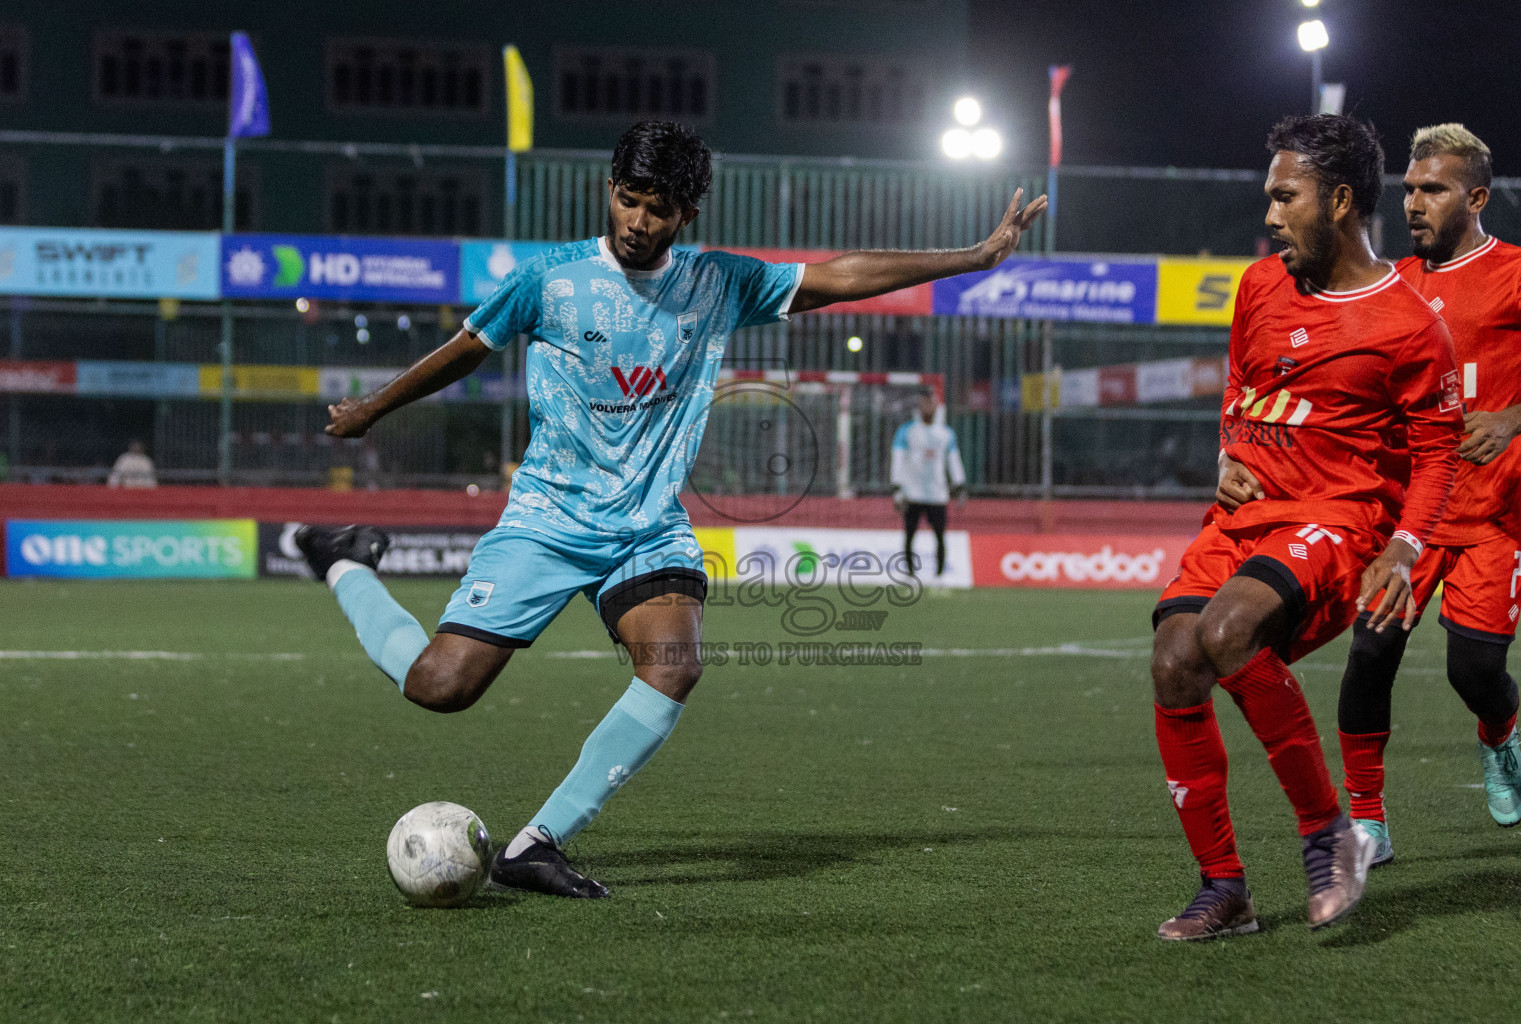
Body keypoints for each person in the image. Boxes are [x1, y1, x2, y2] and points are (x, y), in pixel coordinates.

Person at [294, 121, 1047, 899]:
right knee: (439, 687)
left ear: (687, 214)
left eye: (658, 208)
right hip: (549, 520)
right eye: (628, 199)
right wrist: (373, 409)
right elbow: (465, 347)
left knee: (674, 664)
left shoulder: (717, 282)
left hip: (648, 525)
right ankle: (346, 558)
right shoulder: (548, 280)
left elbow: (836, 275)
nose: (638, 221)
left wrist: (974, 257)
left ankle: (535, 843)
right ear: (609, 189)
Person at [1150, 114, 1461, 941]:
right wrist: (1226, 448)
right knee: (1175, 660)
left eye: (1286, 197)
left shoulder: (1409, 323)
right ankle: (1225, 889)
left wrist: (1405, 546)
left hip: (1336, 520)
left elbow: (1438, 454)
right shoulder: (1258, 287)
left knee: (1226, 629)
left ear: (1341, 200)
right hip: (1243, 517)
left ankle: (1330, 834)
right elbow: (1241, 384)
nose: (1270, 215)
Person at [1330, 125, 1521, 857]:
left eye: (1434, 189)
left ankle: (1500, 732)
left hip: (1494, 513)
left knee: (1474, 669)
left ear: (1476, 196)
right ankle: (1367, 821)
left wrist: (1514, 418)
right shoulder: (1390, 286)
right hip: (1412, 518)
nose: (1414, 203)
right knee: (1370, 652)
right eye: (1410, 189)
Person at [891, 386, 965, 578]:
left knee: (940, 536)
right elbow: (898, 458)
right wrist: (897, 487)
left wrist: (960, 485)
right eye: (924, 404)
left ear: (937, 406)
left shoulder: (946, 433)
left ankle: (939, 576)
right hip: (912, 492)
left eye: (931, 403)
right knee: (909, 535)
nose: (928, 408)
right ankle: (909, 575)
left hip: (937, 493)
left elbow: (954, 460)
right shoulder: (907, 431)